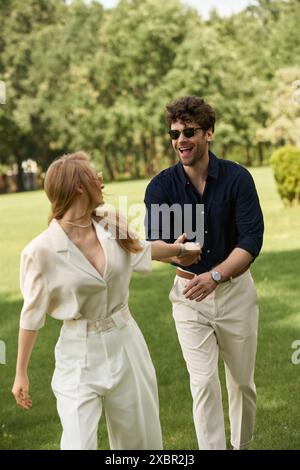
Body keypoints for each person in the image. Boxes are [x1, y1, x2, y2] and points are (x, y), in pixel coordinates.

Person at [12, 151, 200, 451]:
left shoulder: (111, 222)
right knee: (78, 444)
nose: (100, 179)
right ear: (78, 186)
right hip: (78, 355)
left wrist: (178, 251)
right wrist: (21, 373)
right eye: (93, 174)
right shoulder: (41, 251)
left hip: (127, 345)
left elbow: (142, 249)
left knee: (139, 443)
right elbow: (31, 316)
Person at [144, 96, 264, 450]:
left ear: (208, 133)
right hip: (188, 298)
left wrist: (214, 276)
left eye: (189, 131)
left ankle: (241, 446)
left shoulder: (237, 178)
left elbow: (251, 241)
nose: (180, 140)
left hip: (235, 293)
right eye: (174, 133)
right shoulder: (161, 188)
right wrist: (177, 252)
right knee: (203, 383)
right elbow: (153, 245)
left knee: (242, 383)